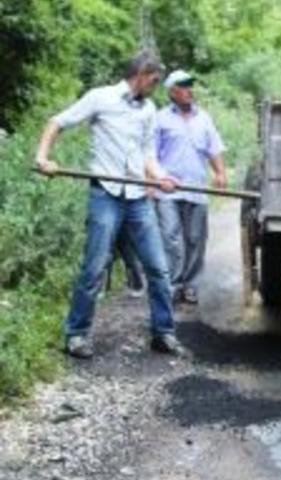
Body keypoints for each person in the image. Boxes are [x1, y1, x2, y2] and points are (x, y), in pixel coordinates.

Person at [34, 50, 184, 358]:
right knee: (95, 267)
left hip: (138, 198)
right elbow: (57, 122)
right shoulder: (100, 98)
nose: (155, 87)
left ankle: (163, 333)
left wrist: (161, 176)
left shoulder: (148, 109)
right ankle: (76, 335)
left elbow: (148, 155)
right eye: (154, 81)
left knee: (158, 267)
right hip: (106, 194)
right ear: (141, 75)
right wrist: (43, 158)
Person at [155, 70, 227, 305]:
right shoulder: (160, 118)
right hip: (167, 189)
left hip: (196, 189)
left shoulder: (203, 118)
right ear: (173, 92)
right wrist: (151, 181)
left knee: (196, 239)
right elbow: (150, 155)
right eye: (184, 86)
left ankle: (191, 285)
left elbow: (213, 148)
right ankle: (173, 285)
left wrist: (220, 172)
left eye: (190, 85)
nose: (189, 90)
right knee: (171, 237)